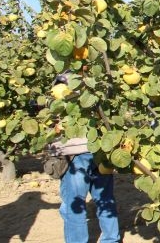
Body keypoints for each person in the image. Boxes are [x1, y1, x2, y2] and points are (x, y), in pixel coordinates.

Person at [47, 74, 120, 243]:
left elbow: (55, 119)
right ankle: (111, 239)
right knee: (105, 199)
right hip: (99, 148)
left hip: (75, 153)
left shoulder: (61, 82)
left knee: (75, 205)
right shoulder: (92, 81)